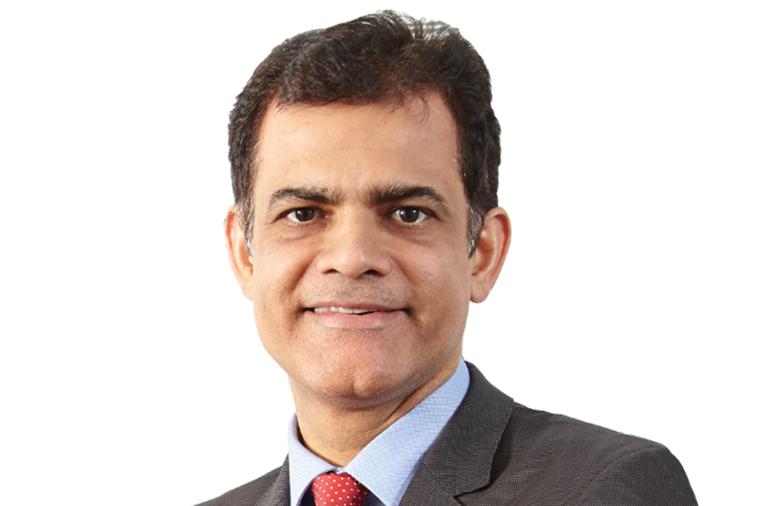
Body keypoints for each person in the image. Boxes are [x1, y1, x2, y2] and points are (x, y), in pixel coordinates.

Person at [200, 10, 698, 506]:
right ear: (245, 253)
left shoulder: (608, 487)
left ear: (482, 252)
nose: (352, 258)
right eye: (303, 214)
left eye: (408, 213)